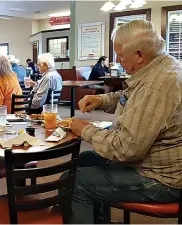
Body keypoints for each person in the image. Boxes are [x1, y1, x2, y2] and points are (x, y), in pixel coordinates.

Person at [68, 20, 182, 223]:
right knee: (85, 160)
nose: (118, 60)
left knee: (74, 182)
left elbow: (126, 148)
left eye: (120, 55)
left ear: (139, 55)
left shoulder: (156, 87)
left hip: (162, 180)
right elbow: (132, 97)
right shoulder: (161, 66)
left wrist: (85, 130)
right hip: (155, 162)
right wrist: (102, 99)